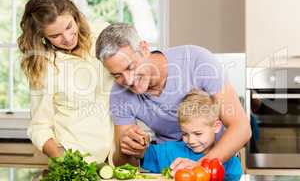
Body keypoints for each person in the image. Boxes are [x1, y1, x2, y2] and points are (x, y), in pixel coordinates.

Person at [95, 23, 251, 170]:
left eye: (131, 67)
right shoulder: (119, 94)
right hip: (170, 165)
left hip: (218, 161)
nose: (128, 80)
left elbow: (241, 128)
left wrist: (199, 167)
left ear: (144, 49)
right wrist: (127, 149)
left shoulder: (197, 60)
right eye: (117, 75)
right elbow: (124, 165)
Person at [18, 0, 114, 163]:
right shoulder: (44, 67)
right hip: (77, 160)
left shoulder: (102, 34)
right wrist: (65, 160)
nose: (68, 39)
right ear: (42, 37)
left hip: (120, 158)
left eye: (69, 26)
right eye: (55, 36)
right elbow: (39, 126)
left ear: (75, 16)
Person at [140, 89, 242, 181]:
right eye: (185, 134)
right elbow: (141, 153)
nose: (191, 140)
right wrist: (140, 141)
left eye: (198, 133)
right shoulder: (168, 151)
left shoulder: (230, 162)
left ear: (216, 127)